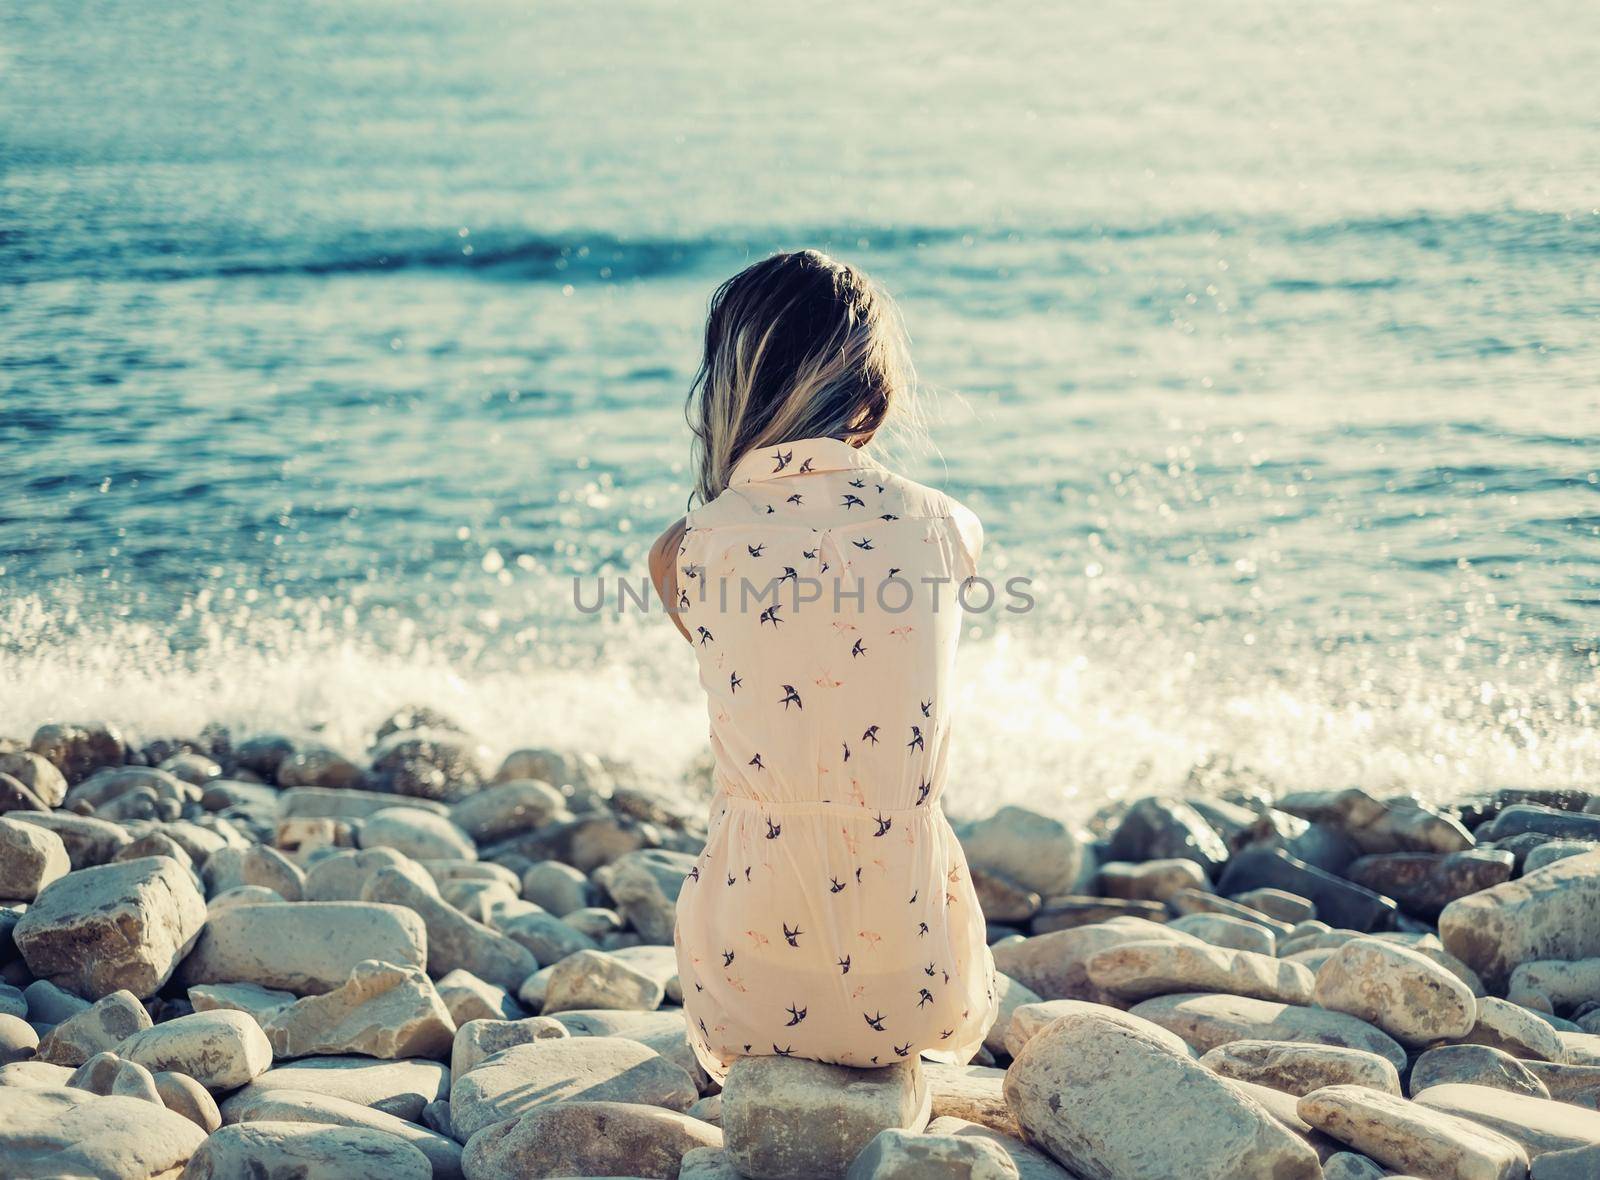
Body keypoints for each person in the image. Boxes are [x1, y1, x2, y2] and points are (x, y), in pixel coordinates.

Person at [649, 249, 996, 1082]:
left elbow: (771, 679)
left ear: (729, 393)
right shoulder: (951, 529)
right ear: (873, 406)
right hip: (919, 978)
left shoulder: (685, 553)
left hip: (750, 984)